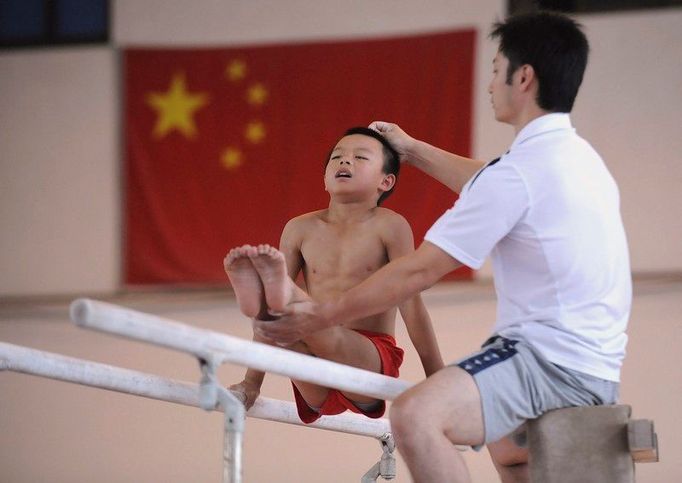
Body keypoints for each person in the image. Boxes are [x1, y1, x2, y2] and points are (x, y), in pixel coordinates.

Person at [254, 11, 631, 483]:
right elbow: (489, 179)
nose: (490, 84)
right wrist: (410, 149)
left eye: (496, 71)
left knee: (415, 415)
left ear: (523, 77)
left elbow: (416, 273)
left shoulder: (515, 175)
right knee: (513, 458)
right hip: (595, 367)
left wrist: (321, 315)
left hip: (543, 362)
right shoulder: (576, 160)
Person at [225, 126, 443, 424]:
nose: (345, 161)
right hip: (316, 377)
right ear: (325, 180)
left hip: (369, 360)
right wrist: (251, 383)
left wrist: (438, 379)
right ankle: (269, 304)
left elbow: (412, 305)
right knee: (282, 330)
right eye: (337, 157)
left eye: (360, 157)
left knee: (311, 322)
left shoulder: (390, 226)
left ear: (386, 180)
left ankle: (282, 300)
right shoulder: (299, 229)